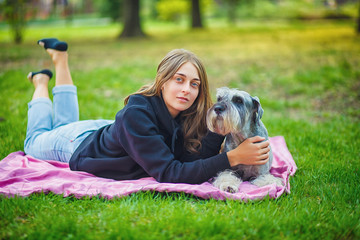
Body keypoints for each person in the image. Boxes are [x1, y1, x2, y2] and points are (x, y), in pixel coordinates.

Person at [24, 38, 270, 184]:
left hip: (114, 133)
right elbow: (169, 172)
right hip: (75, 144)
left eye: (194, 84)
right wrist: (233, 157)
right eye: (179, 79)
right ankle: (41, 83)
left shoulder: (191, 112)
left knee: (62, 124)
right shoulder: (137, 114)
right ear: (163, 81)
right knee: (34, 141)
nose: (186, 90)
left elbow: (196, 161)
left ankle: (60, 59)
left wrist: (219, 126)